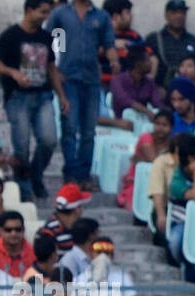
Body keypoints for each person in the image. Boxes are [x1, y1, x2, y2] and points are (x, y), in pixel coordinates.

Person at [45, 0, 115, 191]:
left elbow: (108, 43)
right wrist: (55, 68)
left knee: (89, 131)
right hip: (68, 78)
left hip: (91, 80)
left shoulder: (101, 17)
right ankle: (71, 173)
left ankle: (84, 175)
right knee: (69, 127)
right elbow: (49, 41)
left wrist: (113, 59)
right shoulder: (60, 14)